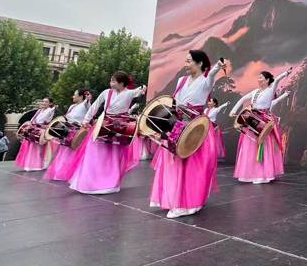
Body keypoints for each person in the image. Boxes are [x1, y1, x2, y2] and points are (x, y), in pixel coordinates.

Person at [149, 51, 227, 218]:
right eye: (185, 61)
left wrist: (218, 67)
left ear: (200, 64)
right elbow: (175, 102)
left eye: (189, 61)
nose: (186, 64)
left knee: (193, 166)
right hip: (178, 125)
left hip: (196, 127)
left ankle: (189, 203)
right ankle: (174, 199)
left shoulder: (206, 81)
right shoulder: (181, 81)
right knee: (175, 163)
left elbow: (211, 74)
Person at [68, 72, 146, 194]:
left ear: (121, 83)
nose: (111, 83)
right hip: (103, 124)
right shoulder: (106, 93)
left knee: (114, 156)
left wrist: (143, 89)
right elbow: (95, 106)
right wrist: (86, 120)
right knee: (94, 153)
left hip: (119, 126)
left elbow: (139, 91)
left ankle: (111, 184)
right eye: (111, 80)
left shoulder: (129, 93)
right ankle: (89, 183)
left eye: (113, 81)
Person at [230, 68, 292, 184]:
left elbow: (277, 80)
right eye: (258, 78)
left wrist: (286, 73)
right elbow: (243, 99)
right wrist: (234, 110)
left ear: (267, 80)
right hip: (251, 119)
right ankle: (249, 174)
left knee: (263, 145)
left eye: (261, 78)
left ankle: (263, 175)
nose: (259, 79)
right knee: (249, 147)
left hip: (264, 120)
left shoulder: (270, 90)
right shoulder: (255, 92)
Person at [44, 88, 91, 181]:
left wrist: (88, 98)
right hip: (67, 132)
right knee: (64, 153)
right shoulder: (72, 106)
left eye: (75, 95)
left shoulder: (85, 105)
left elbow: (89, 105)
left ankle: (73, 175)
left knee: (74, 154)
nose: (73, 96)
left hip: (78, 133)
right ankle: (61, 174)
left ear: (81, 96)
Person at [14, 97, 56, 171]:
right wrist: (30, 124)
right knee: (29, 147)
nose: (44, 103)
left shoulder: (50, 110)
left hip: (40, 131)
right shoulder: (39, 110)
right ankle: (29, 164)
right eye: (43, 101)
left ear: (50, 103)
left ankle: (37, 165)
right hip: (34, 129)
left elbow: (44, 120)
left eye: (46, 102)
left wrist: (37, 124)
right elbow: (33, 119)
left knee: (37, 149)